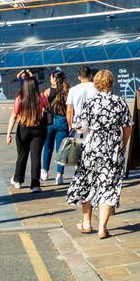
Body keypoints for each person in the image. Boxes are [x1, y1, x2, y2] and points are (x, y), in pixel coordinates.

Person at [65, 69, 131, 239]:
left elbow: (78, 126)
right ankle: (102, 228)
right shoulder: (119, 102)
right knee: (109, 186)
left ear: (96, 83)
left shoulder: (90, 103)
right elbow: (127, 127)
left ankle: (86, 223)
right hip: (112, 149)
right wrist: (122, 144)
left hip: (91, 147)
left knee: (87, 182)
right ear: (111, 82)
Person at [5, 70, 48, 192]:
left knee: (22, 155)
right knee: (36, 157)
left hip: (23, 128)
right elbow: (48, 109)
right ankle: (35, 184)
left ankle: (18, 180)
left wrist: (8, 134)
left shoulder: (20, 98)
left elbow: (13, 116)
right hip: (38, 129)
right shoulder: (41, 97)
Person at [40, 70, 70, 185]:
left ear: (55, 79)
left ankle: (45, 172)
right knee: (61, 150)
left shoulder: (47, 91)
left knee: (47, 148)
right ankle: (59, 176)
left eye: (51, 77)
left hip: (49, 122)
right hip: (63, 121)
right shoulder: (67, 91)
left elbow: (42, 108)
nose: (49, 79)